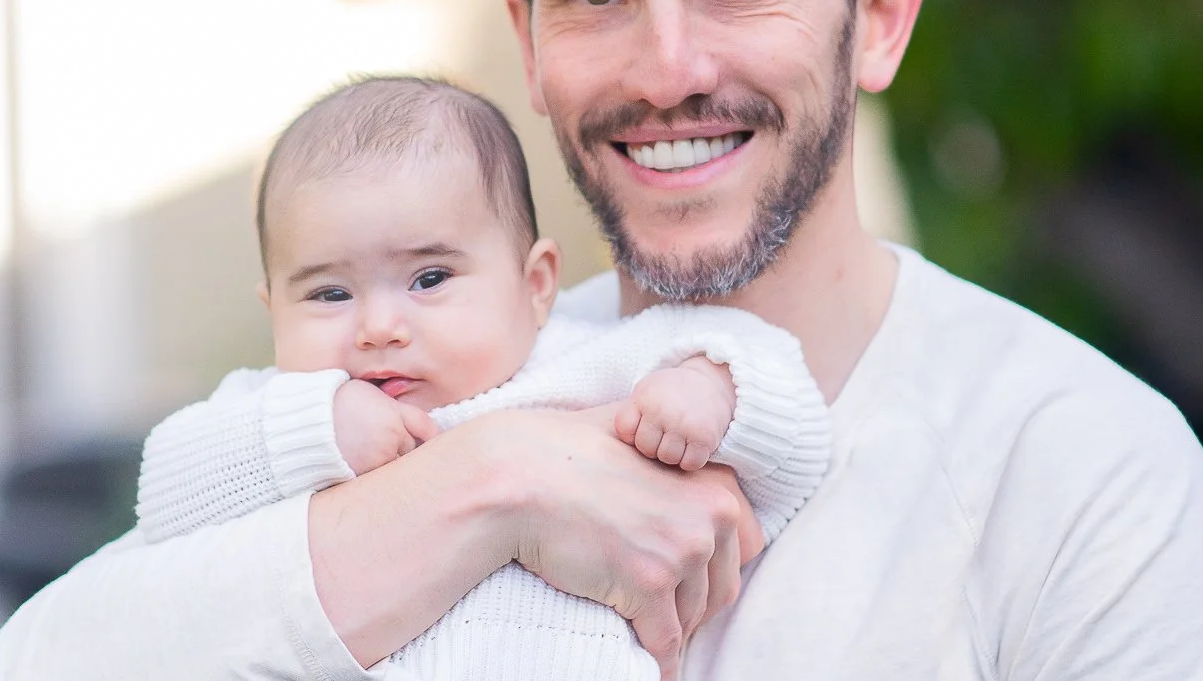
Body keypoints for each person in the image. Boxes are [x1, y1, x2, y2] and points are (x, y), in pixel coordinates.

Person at [0, 0, 1203, 681]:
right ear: (529, 41)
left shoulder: (1072, 461)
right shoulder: (435, 402)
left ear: (877, 22)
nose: (669, 69)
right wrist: (489, 482)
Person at [130, 75, 829, 680]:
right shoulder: (277, 407)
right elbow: (164, 489)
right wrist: (315, 429)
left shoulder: (581, 368)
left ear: (534, 285)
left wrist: (711, 391)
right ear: (273, 308)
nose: (378, 326)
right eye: (329, 295)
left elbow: (787, 399)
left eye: (429, 279)